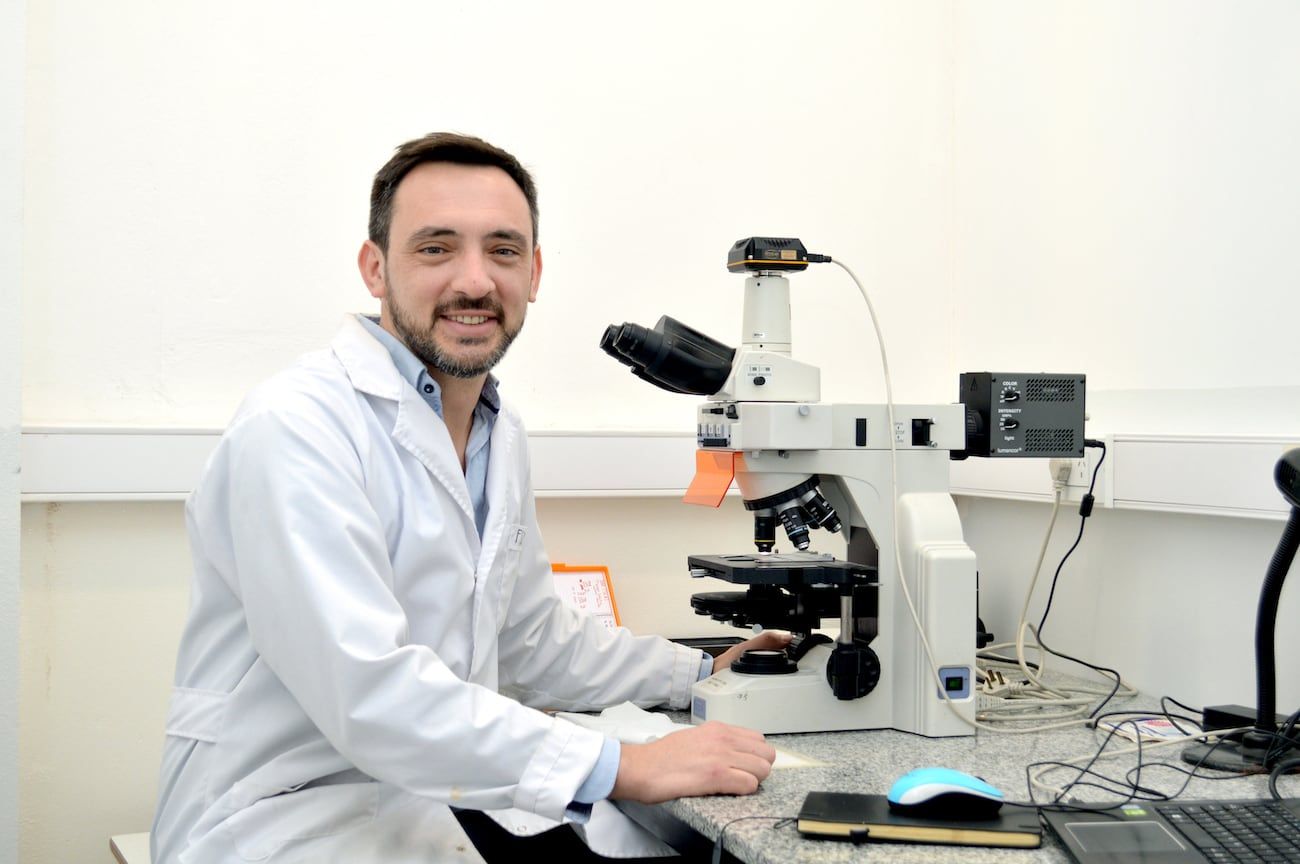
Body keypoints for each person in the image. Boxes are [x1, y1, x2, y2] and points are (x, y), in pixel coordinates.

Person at [150, 132, 788, 864]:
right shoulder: (295, 429)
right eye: (436, 248)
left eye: (504, 250)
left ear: (535, 272)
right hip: (283, 820)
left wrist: (702, 673)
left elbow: (528, 641)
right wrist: (625, 765)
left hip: (428, 804)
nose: (475, 280)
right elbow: (370, 693)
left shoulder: (496, 429)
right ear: (374, 266)